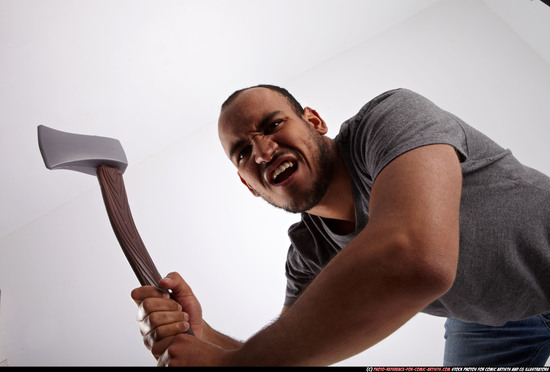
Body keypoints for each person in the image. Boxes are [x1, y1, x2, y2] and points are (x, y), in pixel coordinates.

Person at [131, 85, 550, 366]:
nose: (261, 151)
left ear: (314, 121)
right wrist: (203, 336)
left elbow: (418, 260)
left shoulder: (389, 120)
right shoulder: (307, 254)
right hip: (491, 321)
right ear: (248, 185)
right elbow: (292, 349)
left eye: (273, 124)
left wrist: (231, 366)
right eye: (242, 152)